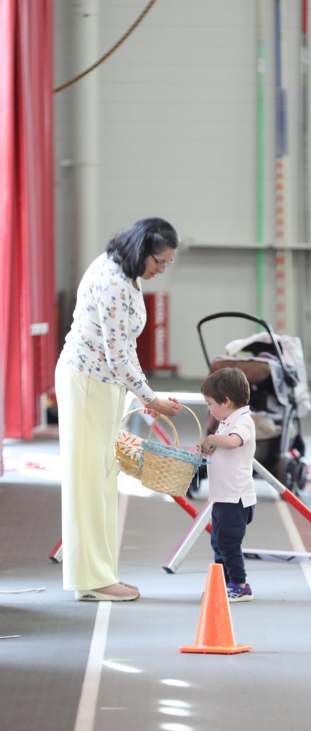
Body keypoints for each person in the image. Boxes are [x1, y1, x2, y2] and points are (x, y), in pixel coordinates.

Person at [55, 217, 182, 601]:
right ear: (141, 251)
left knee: (103, 478)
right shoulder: (112, 281)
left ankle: (97, 574)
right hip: (87, 383)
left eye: (167, 263)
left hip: (102, 384)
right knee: (89, 483)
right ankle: (91, 580)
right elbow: (117, 355)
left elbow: (122, 350)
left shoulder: (127, 273)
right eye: (159, 262)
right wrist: (149, 398)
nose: (161, 270)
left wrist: (137, 394)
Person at [200, 368, 256, 601]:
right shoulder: (226, 421)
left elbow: (234, 442)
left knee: (228, 543)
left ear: (226, 401)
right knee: (218, 541)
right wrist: (210, 447)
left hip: (236, 498)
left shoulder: (243, 421)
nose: (209, 409)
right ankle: (222, 582)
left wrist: (213, 439)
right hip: (223, 496)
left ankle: (240, 584)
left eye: (211, 403)